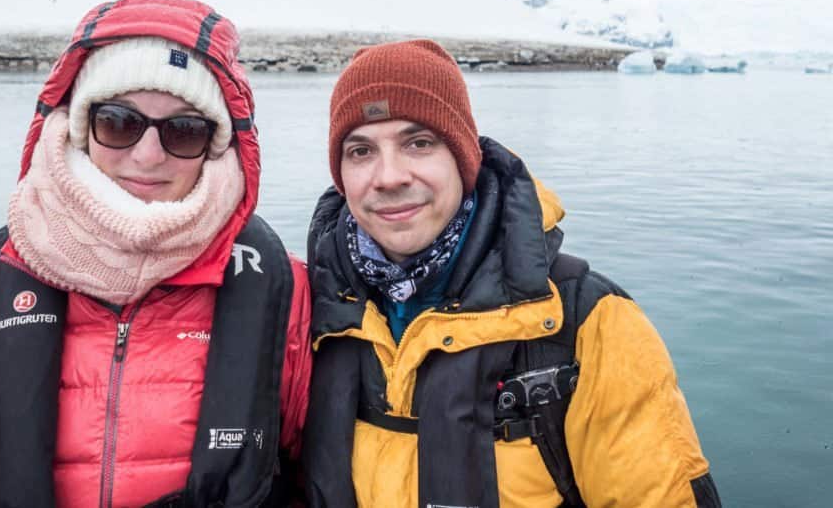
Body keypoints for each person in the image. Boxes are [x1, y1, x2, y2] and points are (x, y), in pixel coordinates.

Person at [302, 39, 721, 508]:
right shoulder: (309, 312)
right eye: (360, 151)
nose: (389, 176)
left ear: (463, 158)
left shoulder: (587, 323)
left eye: (419, 143)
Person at [0, 0, 312, 508]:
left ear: (218, 144)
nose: (147, 155)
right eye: (119, 122)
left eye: (184, 131)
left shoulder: (286, 295)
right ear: (79, 127)